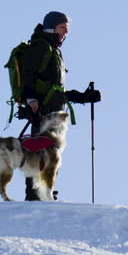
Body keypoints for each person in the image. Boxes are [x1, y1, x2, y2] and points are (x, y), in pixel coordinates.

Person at [16, 11, 99, 200]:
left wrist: (85, 97)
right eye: (62, 28)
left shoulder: (54, 52)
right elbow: (28, 75)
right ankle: (36, 195)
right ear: (52, 27)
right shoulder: (40, 47)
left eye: (67, 30)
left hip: (53, 109)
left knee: (51, 150)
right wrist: (31, 100)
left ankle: (45, 191)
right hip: (42, 109)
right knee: (41, 149)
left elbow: (57, 90)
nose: (65, 33)